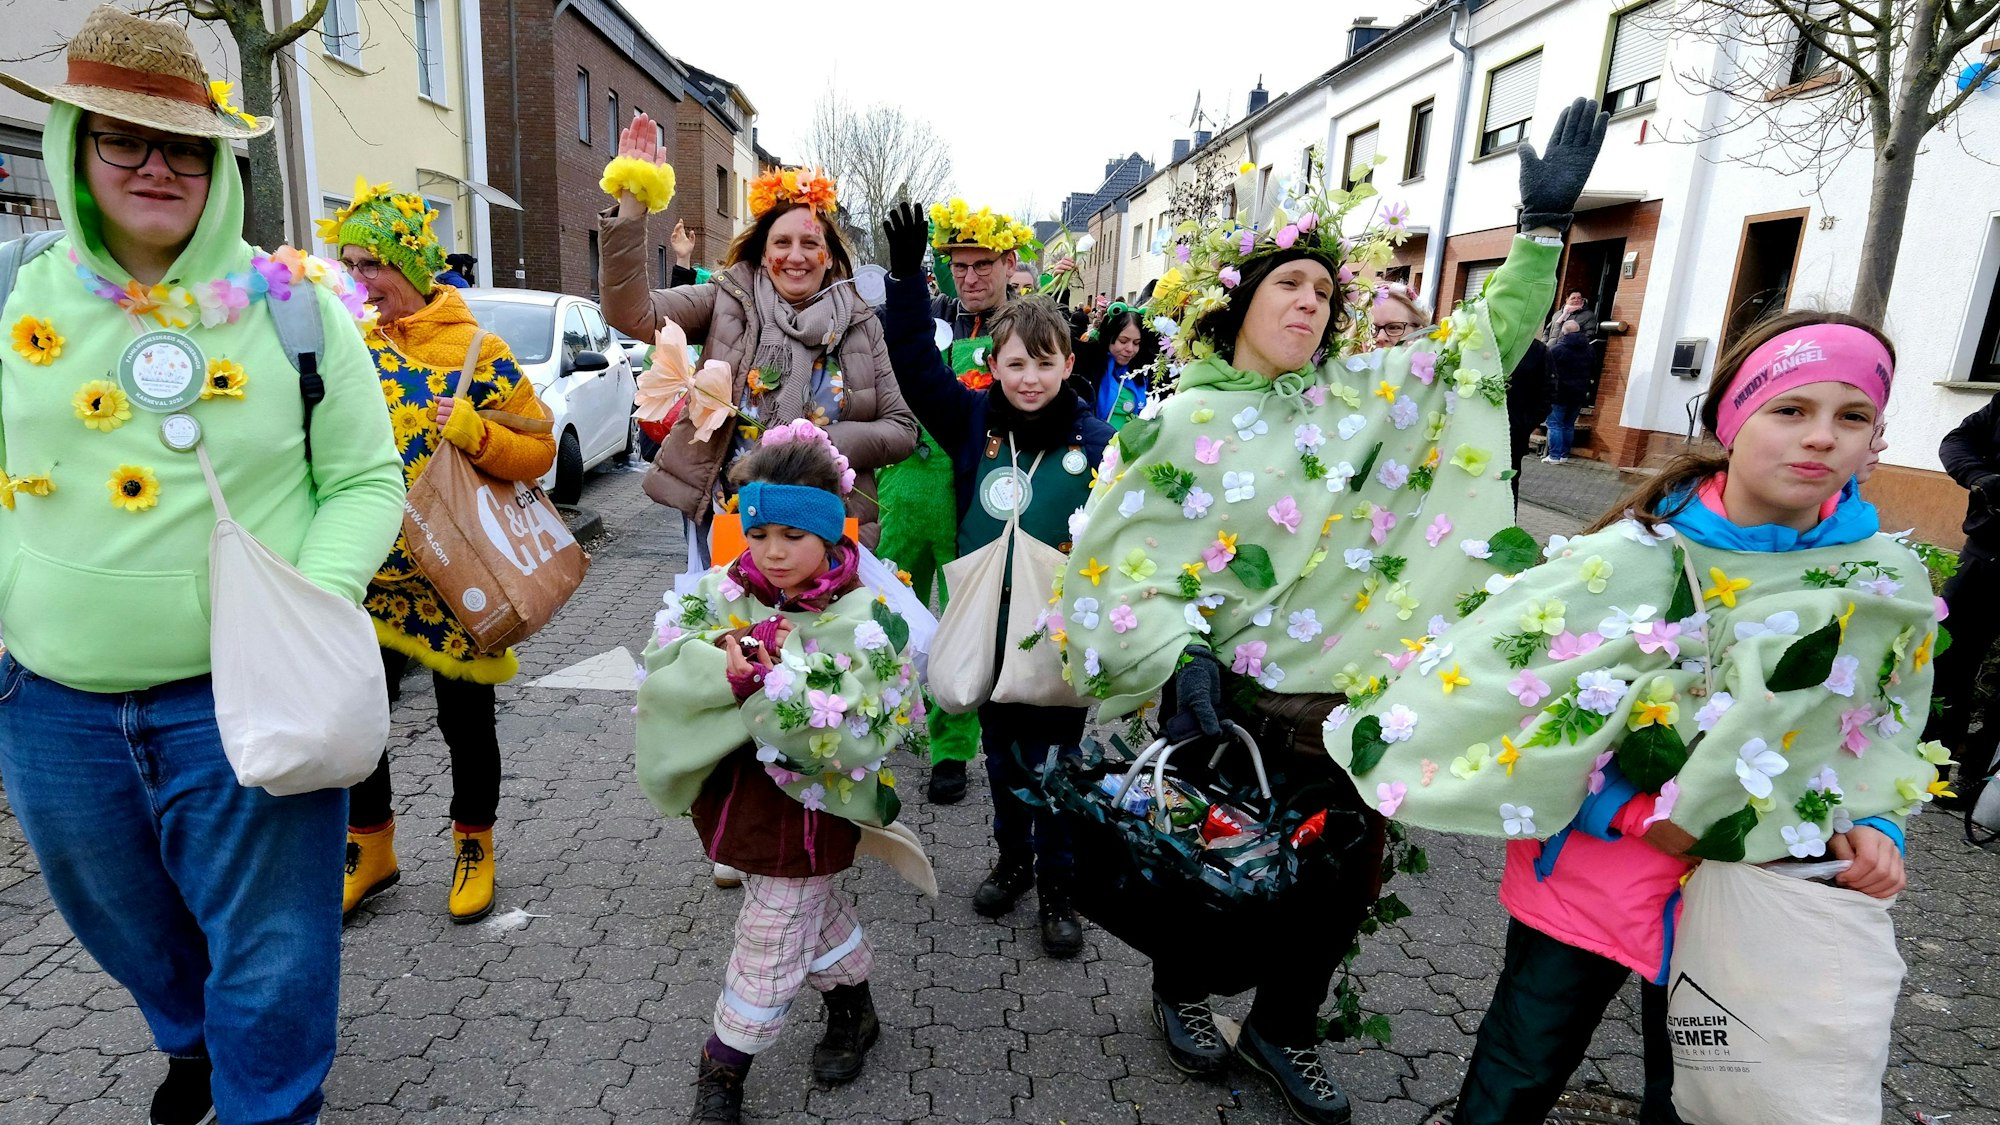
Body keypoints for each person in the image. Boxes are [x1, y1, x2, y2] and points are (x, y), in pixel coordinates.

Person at [1055, 98, 1610, 1124]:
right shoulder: (1176, 421)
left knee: (1332, 892)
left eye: (1321, 288)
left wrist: (1537, 234)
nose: (1308, 304)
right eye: (1287, 285)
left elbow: (1477, 343)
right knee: (1204, 865)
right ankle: (1180, 990)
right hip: (1232, 704)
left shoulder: (1359, 396)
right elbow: (1112, 565)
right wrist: (1176, 657)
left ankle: (1282, 1026)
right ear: (1238, 302)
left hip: (1351, 707)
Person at [1339, 309, 1938, 1125]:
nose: (1821, 438)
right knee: (1519, 1068)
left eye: (1852, 415)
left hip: (1750, 899)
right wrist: (1625, 809)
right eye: (1791, 409)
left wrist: (1880, 823)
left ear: (1876, 436)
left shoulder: (1885, 577)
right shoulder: (1634, 556)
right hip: (1595, 883)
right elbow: (1490, 703)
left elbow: (1884, 720)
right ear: (1731, 420)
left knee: (1691, 1094)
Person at [0, 9, 405, 1123]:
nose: (156, 166)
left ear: (219, 160)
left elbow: (367, 480)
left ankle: (267, 1099)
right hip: (50, 701)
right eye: (124, 138)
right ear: (75, 144)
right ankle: (193, 1045)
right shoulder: (10, 299)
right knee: (118, 920)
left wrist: (305, 615)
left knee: (273, 950)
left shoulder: (294, 305)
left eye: (183, 144)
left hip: (247, 695)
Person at [633, 424, 921, 1124]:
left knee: (771, 929)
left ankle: (724, 1065)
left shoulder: (865, 615)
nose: (772, 551)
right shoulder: (725, 589)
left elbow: (868, 714)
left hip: (812, 807)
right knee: (804, 912)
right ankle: (854, 1008)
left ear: (832, 533)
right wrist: (731, 659)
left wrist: (774, 680)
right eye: (759, 533)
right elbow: (664, 654)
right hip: (737, 799)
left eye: (794, 534)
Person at [883, 202, 1117, 957]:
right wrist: (905, 280)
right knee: (1001, 756)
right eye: (1015, 363)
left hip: (1058, 638)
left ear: (1067, 365)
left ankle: (1058, 883)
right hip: (985, 625)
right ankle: (1011, 857)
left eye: (1044, 363)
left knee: (1057, 767)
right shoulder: (971, 423)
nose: (1028, 377)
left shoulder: (1097, 443)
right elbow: (916, 361)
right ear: (996, 366)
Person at [331, 181, 557, 924]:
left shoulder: (476, 349)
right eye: (350, 263)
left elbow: (539, 448)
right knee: (361, 716)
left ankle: (474, 843)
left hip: (454, 571)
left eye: (371, 265)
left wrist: (473, 432)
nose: (361, 280)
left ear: (411, 263)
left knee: (466, 719)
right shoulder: (349, 342)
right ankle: (372, 845)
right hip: (369, 572)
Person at [597, 113, 917, 569]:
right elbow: (632, 313)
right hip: (735, 520)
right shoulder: (726, 300)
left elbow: (902, 429)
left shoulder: (862, 323)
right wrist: (631, 208)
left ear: (828, 257)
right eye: (781, 243)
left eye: (810, 244)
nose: (795, 255)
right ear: (764, 255)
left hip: (831, 525)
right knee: (735, 635)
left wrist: (821, 442)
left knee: (816, 639)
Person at [874, 199, 1040, 806]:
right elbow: (904, 354)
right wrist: (904, 280)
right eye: (958, 265)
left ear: (1008, 262)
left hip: (977, 496)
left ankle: (951, 747)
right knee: (892, 617)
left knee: (965, 626)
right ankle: (873, 723)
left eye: (981, 265)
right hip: (910, 490)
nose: (969, 278)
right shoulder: (931, 316)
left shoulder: (1024, 332)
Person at [1926, 396, 2000, 807]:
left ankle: (1981, 782)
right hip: (1985, 551)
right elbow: (1958, 441)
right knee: (1947, 658)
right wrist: (1981, 477)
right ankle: (1934, 765)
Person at [1069, 306, 1158, 429]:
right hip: (1094, 443)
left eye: (1136, 343)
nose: (1130, 349)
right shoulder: (1088, 364)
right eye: (1123, 341)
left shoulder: (1146, 371)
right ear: (1109, 337)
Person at [1544, 319, 1594, 462]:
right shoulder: (1589, 349)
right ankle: (1564, 455)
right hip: (1579, 393)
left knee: (1554, 424)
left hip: (1560, 393)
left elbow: (1547, 368)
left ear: (1564, 332)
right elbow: (1593, 367)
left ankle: (1554, 456)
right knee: (1568, 425)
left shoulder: (1558, 349)